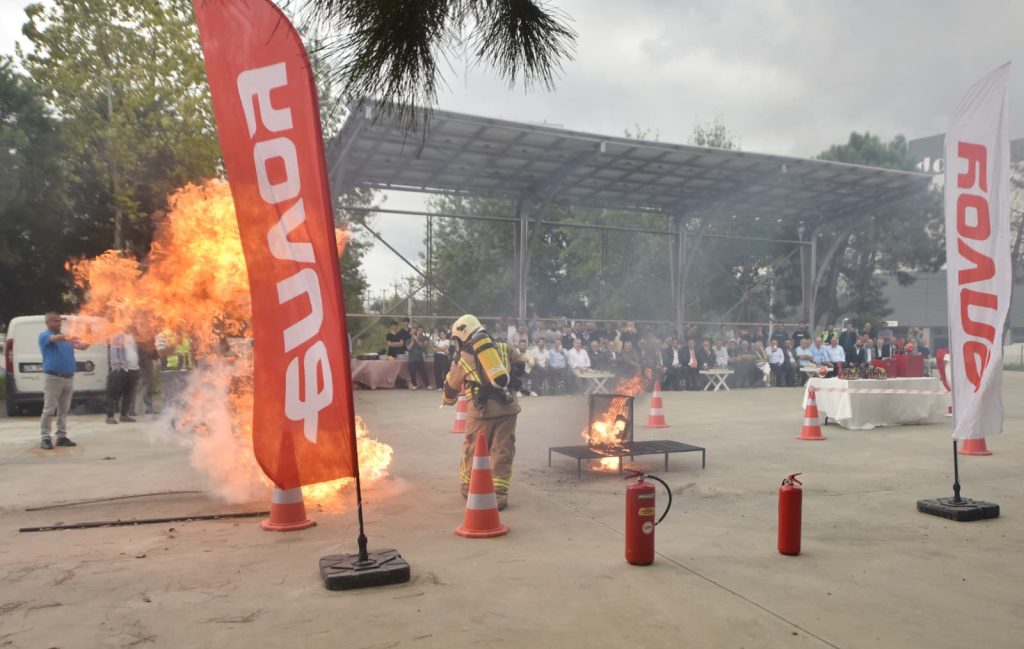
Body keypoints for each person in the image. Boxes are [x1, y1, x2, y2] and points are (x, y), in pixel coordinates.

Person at [443, 314, 522, 511]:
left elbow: (452, 387)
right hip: (508, 409)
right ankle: (499, 496)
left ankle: (469, 488)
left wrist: (448, 400)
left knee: (474, 450)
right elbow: (521, 365)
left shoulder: (465, 357)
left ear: (462, 336)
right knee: (503, 450)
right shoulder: (504, 347)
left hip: (481, 412)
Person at [38, 311, 89, 449]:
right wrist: (70, 336)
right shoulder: (45, 336)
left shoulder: (67, 339)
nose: (58, 323)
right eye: (55, 321)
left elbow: (83, 346)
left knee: (63, 410)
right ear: (47, 322)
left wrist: (92, 337)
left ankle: (61, 436)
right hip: (53, 378)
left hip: (68, 377)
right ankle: (45, 437)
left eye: (60, 321)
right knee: (49, 409)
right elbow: (56, 339)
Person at [105, 329, 139, 424]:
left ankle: (124, 415)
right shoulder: (117, 335)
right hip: (122, 368)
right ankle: (110, 416)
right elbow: (114, 350)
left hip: (133, 368)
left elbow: (134, 350)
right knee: (114, 394)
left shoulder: (132, 335)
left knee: (129, 393)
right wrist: (117, 364)